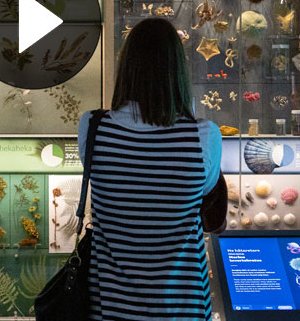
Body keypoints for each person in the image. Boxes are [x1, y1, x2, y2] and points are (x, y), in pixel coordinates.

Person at [78, 17, 225, 321]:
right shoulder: (204, 136)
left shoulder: (92, 128)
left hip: (110, 310)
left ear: (126, 67)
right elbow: (208, 201)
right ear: (177, 71)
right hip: (182, 311)